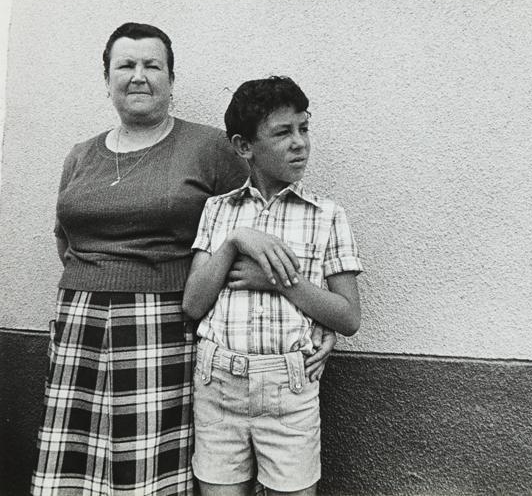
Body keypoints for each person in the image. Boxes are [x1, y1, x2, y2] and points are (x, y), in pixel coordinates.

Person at [32, 24, 336, 496]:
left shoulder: (210, 147)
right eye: (125, 65)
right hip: (80, 326)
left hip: (164, 325)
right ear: (107, 77)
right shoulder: (80, 155)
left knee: (146, 468)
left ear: (171, 80)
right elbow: (64, 237)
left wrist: (320, 326)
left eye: (152, 65)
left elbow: (269, 223)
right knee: (78, 469)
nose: (138, 76)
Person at [182, 76, 363, 495]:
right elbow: (193, 303)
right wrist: (236, 240)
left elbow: (349, 316)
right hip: (218, 386)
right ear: (245, 147)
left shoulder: (326, 216)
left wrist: (282, 282)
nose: (299, 142)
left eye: (304, 127)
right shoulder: (218, 211)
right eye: (283, 132)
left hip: (289, 390)